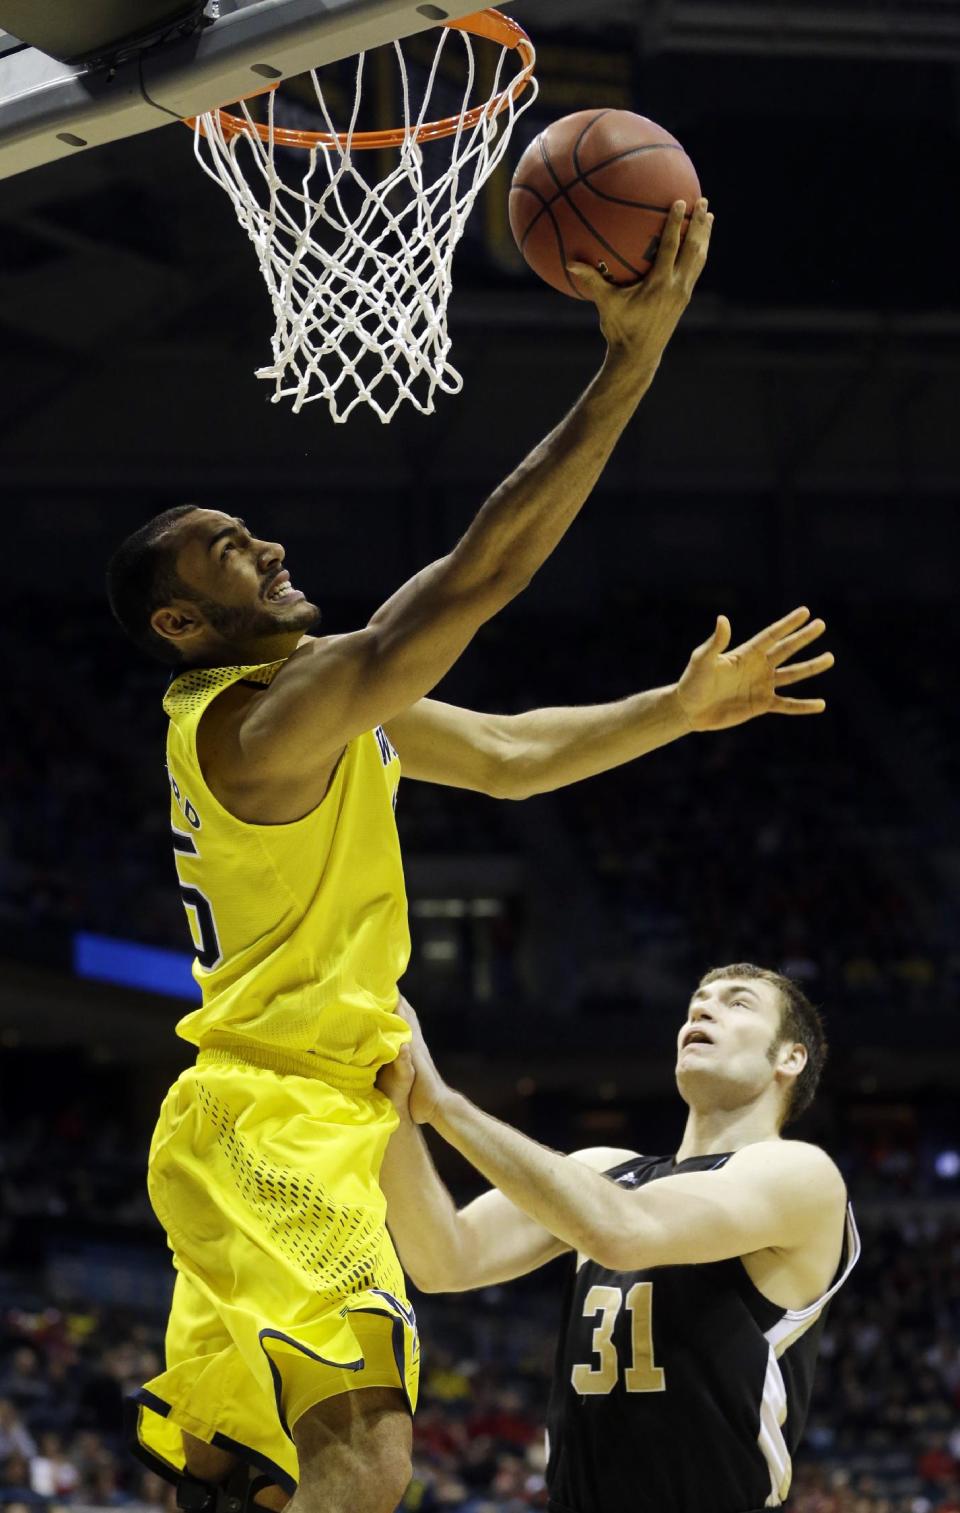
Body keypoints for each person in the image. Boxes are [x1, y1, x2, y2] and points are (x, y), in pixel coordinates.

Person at [104, 199, 830, 1513]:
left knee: (238, 1476)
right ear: (180, 621)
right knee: (368, 1463)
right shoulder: (268, 720)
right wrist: (627, 366)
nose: (266, 547)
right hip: (280, 1111)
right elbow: (469, 584)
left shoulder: (321, 708)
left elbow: (504, 753)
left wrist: (673, 709)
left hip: (285, 1113)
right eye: (228, 551)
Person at [378, 967, 859, 1513]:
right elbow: (444, 1259)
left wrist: (443, 1105)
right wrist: (392, 1109)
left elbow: (623, 1232)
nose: (701, 1010)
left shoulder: (802, 1174)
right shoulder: (606, 1174)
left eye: (737, 1003)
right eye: (697, 1002)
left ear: (789, 1059)